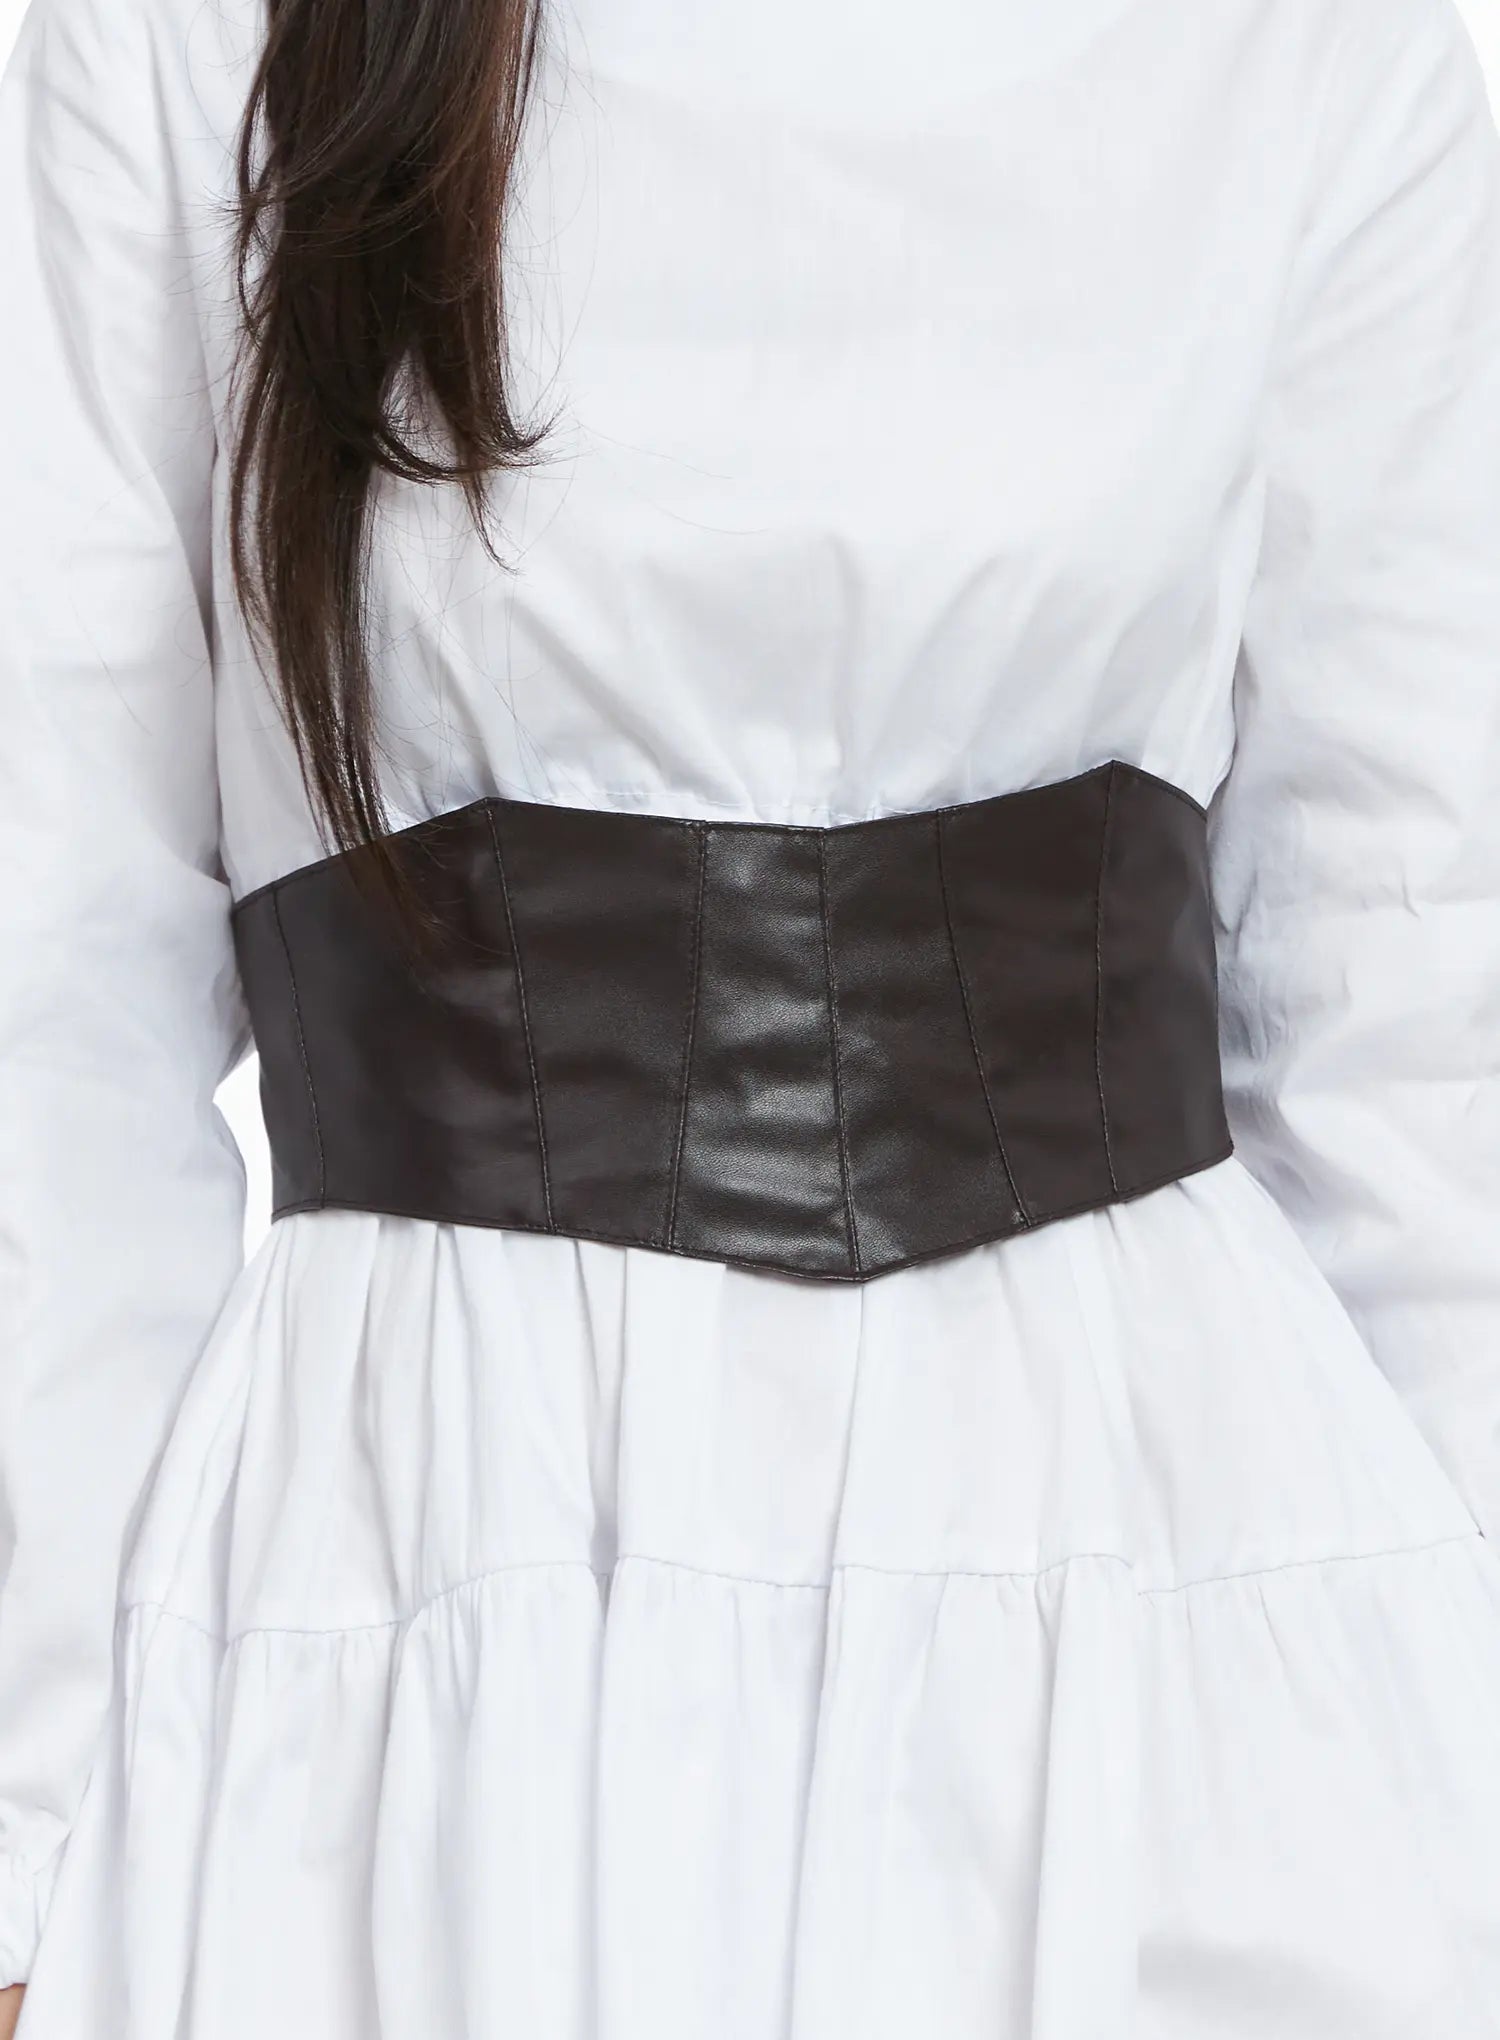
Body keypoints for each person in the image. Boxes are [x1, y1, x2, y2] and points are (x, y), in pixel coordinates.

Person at [2, 0, 1499, 2031]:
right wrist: (33, 1840)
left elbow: (1413, 993)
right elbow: (50, 982)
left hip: (1160, 1610)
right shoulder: (183, 42)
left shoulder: (1316, 47)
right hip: (419, 1622)